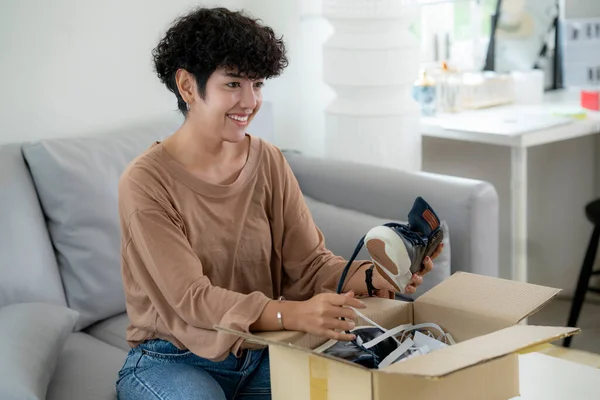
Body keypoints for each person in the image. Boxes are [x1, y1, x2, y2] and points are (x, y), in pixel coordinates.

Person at [115, 7, 441, 400]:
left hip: (263, 349)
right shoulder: (145, 181)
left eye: (258, 84)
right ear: (187, 86)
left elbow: (310, 265)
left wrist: (378, 276)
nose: (250, 101)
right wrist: (291, 313)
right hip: (172, 359)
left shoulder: (268, 160)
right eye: (233, 84)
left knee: (359, 387)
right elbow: (191, 299)